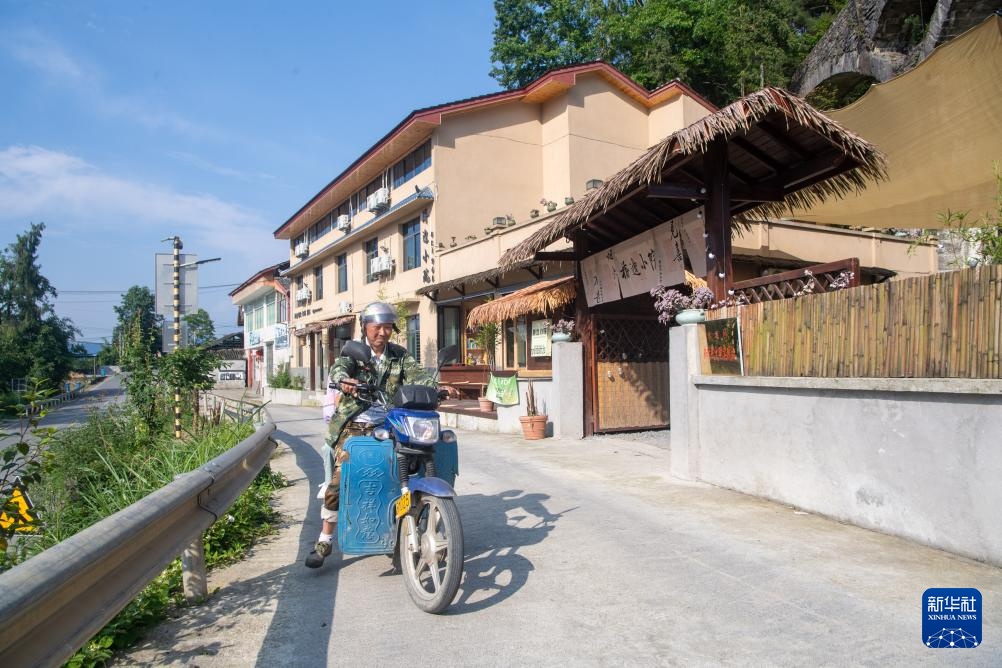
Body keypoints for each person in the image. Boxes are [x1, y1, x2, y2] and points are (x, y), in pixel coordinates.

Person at [305, 301, 437, 568]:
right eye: (377, 327)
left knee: (416, 464)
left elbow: (418, 376)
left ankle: (421, 521)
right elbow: (339, 369)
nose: (383, 332)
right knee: (341, 478)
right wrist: (346, 381)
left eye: (388, 327)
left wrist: (437, 387)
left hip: (392, 422)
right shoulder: (353, 352)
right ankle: (325, 539)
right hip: (357, 423)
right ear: (365, 327)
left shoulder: (399, 355)